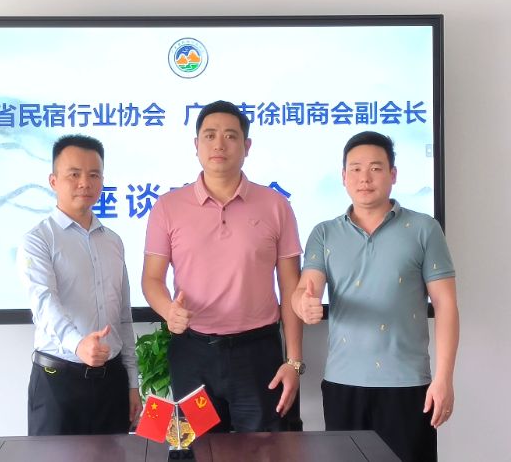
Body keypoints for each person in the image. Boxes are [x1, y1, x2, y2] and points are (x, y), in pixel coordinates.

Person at [292, 131, 459, 462]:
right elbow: (304, 290)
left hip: (408, 384)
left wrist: (444, 379)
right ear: (343, 177)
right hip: (343, 384)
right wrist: (303, 305)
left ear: (393, 174)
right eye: (355, 169)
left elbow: (446, 305)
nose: (364, 178)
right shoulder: (324, 233)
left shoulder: (424, 229)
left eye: (375, 168)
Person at [141, 100, 304, 433]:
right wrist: (168, 310)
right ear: (196, 145)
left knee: (265, 451)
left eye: (231, 136)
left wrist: (294, 360)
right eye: (210, 135)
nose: (219, 144)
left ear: (247, 146)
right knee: (199, 448)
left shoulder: (276, 206)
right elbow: (152, 279)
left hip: (258, 355)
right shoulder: (168, 207)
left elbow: (291, 287)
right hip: (193, 354)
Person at [17, 134, 142, 436]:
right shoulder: (38, 239)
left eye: (94, 175)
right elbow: (44, 303)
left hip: (112, 382)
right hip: (58, 382)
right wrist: (78, 343)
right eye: (74, 174)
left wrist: (132, 383)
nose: (85, 183)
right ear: (53, 181)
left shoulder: (113, 242)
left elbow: (123, 318)